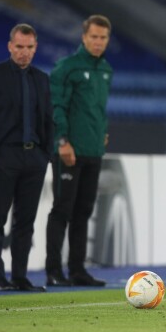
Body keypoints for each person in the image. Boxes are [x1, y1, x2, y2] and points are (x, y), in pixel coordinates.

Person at [45, 15, 113, 287]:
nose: (98, 42)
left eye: (103, 38)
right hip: (69, 150)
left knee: (83, 211)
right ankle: (53, 270)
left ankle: (77, 270)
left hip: (93, 149)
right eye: (94, 37)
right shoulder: (67, 68)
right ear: (84, 37)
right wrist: (62, 141)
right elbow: (56, 107)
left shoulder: (106, 69)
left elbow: (98, 108)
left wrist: (102, 132)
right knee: (62, 209)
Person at [0, 23, 53, 292]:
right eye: (19, 47)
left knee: (25, 222)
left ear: (35, 47)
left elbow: (48, 120)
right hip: (3, 157)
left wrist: (45, 154)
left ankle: (19, 276)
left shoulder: (42, 78)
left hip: (33, 159)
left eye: (29, 47)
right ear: (9, 46)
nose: (24, 52)